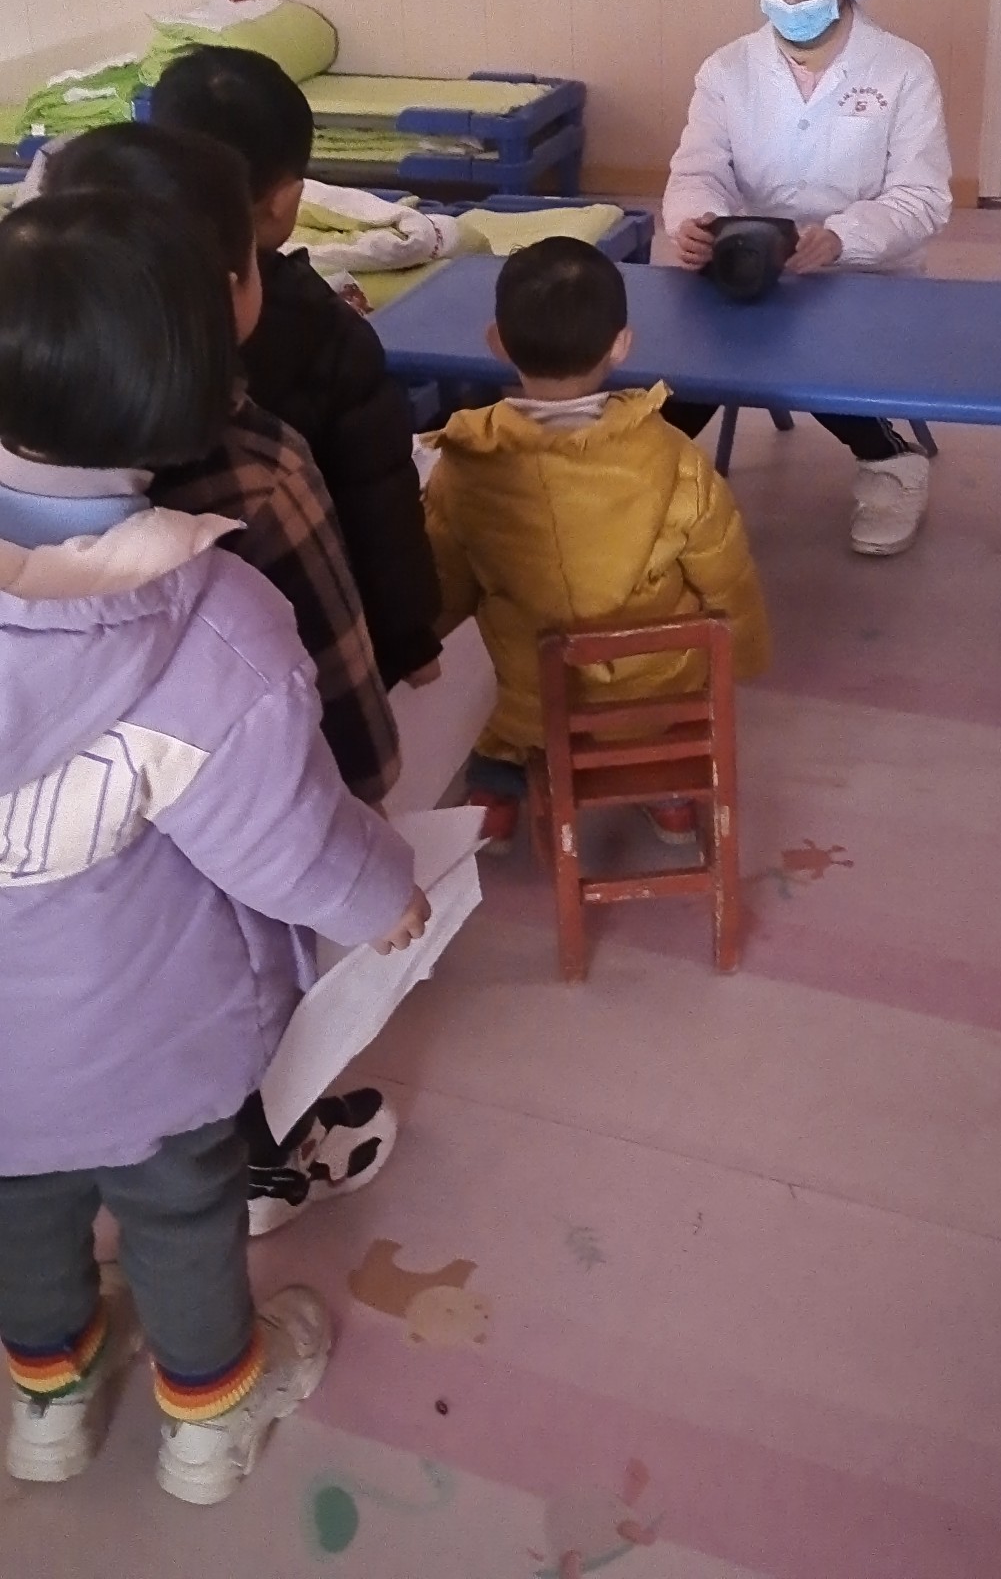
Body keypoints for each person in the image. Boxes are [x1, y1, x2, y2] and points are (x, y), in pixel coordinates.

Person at [0, 189, 428, 1503]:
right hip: (150, 1036)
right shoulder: (215, 623)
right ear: (196, 396)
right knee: (183, 1213)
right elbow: (283, 844)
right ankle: (205, 1425)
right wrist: (386, 897)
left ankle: (47, 1404)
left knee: (18, 1209)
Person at [40, 122, 402, 1236]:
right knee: (232, 997)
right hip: (234, 850)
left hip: (57, 953)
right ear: (226, 294)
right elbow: (327, 700)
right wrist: (372, 841)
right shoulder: (254, 475)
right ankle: (267, 1162)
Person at [421, 238, 769, 851]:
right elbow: (725, 571)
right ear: (622, 344)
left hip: (537, 688)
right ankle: (668, 797)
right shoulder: (674, 458)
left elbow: (445, 581)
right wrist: (744, 650)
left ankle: (494, 802)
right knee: (661, 711)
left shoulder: (465, 466)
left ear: (496, 342)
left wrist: (415, 645)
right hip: (655, 682)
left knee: (507, 723)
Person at [662, 0, 953, 556]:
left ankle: (892, 462)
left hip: (863, 270)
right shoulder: (728, 69)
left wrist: (841, 238)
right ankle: (643, 471)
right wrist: (698, 221)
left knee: (797, 342)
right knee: (701, 347)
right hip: (745, 262)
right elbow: (698, 170)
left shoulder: (902, 70)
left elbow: (923, 198)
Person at [149, 43, 442, 690]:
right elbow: (378, 498)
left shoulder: (80, 303)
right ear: (284, 201)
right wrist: (411, 638)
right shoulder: (321, 340)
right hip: (291, 636)